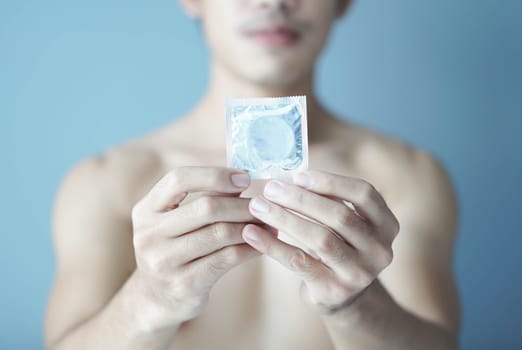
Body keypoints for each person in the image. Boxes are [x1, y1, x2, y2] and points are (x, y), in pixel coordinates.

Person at [44, 0, 461, 349]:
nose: (273, 3)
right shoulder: (105, 183)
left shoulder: (408, 176)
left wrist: (355, 305)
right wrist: (150, 299)